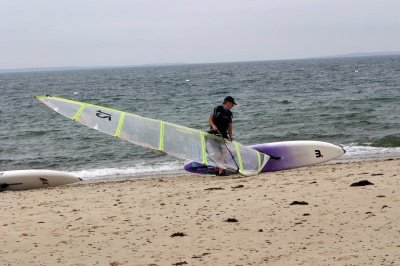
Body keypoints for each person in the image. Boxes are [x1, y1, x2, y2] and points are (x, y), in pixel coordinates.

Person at [208, 96, 237, 175]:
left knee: (224, 152)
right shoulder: (217, 109)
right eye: (232, 104)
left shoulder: (229, 114)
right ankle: (219, 170)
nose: (233, 106)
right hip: (214, 134)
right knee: (217, 153)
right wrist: (213, 126)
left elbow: (229, 125)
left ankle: (219, 169)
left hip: (223, 135)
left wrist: (231, 136)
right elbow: (210, 119)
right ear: (227, 102)